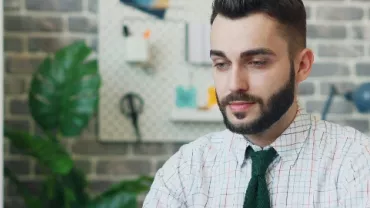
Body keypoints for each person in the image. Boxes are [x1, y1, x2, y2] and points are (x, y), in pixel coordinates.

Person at [142, 0, 370, 207]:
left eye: (257, 62)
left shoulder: (356, 165)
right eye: (221, 64)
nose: (234, 84)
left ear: (302, 65)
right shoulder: (184, 172)